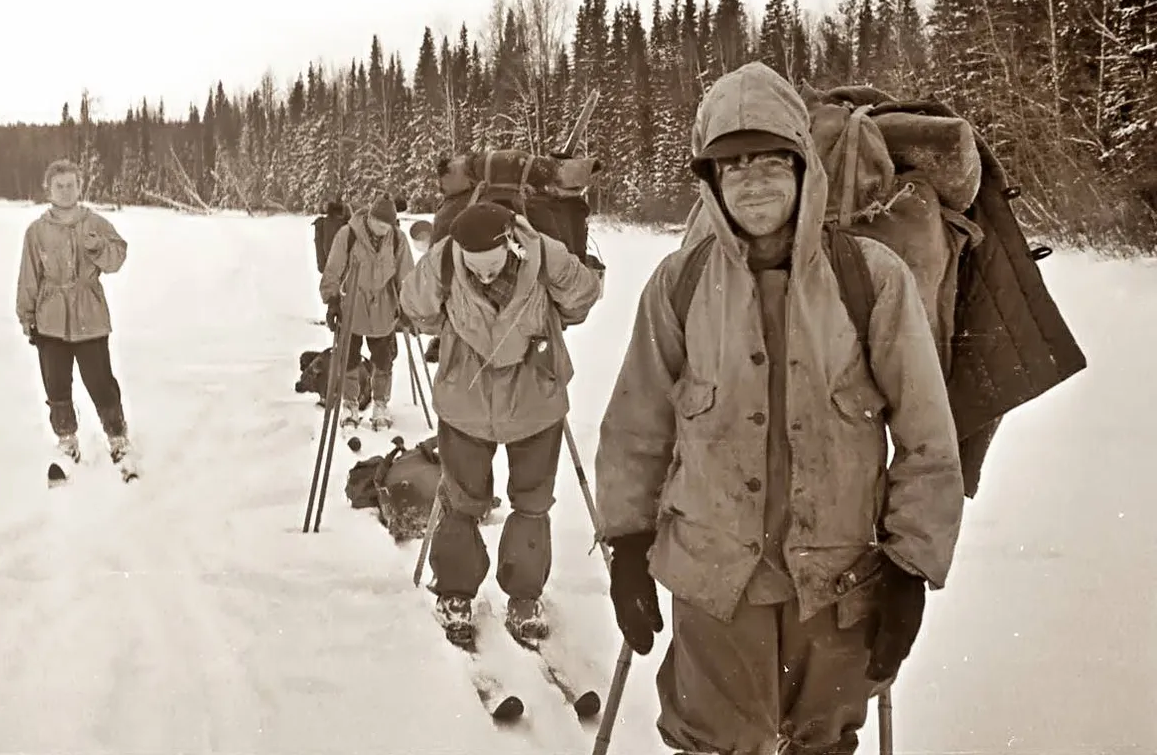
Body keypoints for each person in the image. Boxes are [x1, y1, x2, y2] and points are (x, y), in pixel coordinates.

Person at [593, 62, 965, 755]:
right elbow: (636, 427)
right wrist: (627, 545)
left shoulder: (872, 279)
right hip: (713, 582)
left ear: (803, 168)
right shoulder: (680, 284)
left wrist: (912, 569)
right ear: (711, 183)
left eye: (771, 161)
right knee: (710, 742)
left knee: (821, 743)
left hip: (836, 583)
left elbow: (926, 439)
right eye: (734, 166)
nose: (755, 181)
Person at [400, 202, 603, 644]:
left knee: (532, 502)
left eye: (493, 266)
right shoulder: (446, 261)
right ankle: (455, 592)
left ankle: (525, 596)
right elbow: (417, 309)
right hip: (466, 405)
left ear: (511, 243)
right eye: (476, 267)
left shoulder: (542, 256)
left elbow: (583, 298)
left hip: (534, 403)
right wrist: (438, 272)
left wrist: (556, 260)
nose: (486, 276)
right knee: (461, 499)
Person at [16, 158, 134, 468]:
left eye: (71, 185)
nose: (66, 191)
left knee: (100, 381)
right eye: (60, 186)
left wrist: (98, 248)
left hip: (90, 317)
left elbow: (116, 260)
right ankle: (67, 440)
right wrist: (27, 315)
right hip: (50, 319)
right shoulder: (36, 231)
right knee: (56, 384)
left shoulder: (94, 223)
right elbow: (28, 277)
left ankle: (117, 437)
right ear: (49, 189)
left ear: (80, 187)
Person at [319, 194, 415, 429]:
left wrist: (408, 306)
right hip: (353, 305)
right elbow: (333, 269)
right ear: (370, 218)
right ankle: (350, 404)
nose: (384, 230)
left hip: (384, 307)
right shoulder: (348, 234)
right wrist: (332, 300)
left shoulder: (397, 239)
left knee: (384, 360)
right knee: (349, 359)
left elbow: (406, 273)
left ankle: (381, 404)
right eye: (380, 224)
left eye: (388, 226)